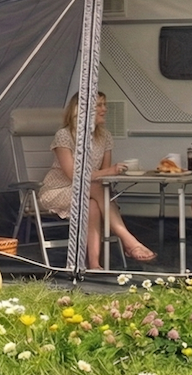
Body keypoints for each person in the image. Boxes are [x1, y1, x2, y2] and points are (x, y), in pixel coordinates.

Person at [37, 91, 157, 268]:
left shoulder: (105, 136)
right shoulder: (64, 135)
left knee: (93, 204)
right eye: (99, 105)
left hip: (89, 192)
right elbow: (73, 175)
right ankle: (129, 240)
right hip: (58, 191)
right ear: (83, 110)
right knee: (92, 189)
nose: (105, 109)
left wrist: (113, 171)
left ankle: (94, 264)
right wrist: (109, 170)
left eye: (104, 105)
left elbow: (104, 174)